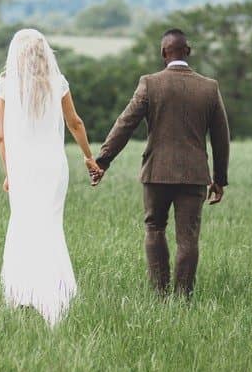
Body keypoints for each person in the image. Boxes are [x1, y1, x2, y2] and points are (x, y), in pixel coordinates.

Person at [91, 28, 230, 298]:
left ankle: (160, 294)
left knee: (155, 228)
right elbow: (221, 138)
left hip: (156, 172)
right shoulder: (209, 87)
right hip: (194, 176)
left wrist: (103, 160)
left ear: (163, 53)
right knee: (188, 238)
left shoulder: (150, 83)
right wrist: (219, 179)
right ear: (187, 52)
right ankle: (183, 298)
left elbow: (125, 124)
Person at [0, 29, 101, 326]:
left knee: (23, 224)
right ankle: (56, 295)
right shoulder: (59, 83)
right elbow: (75, 122)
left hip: (24, 168)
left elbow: (2, 137)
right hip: (53, 167)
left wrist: (9, 173)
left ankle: (21, 293)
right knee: (51, 226)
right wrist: (88, 156)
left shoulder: (6, 85)